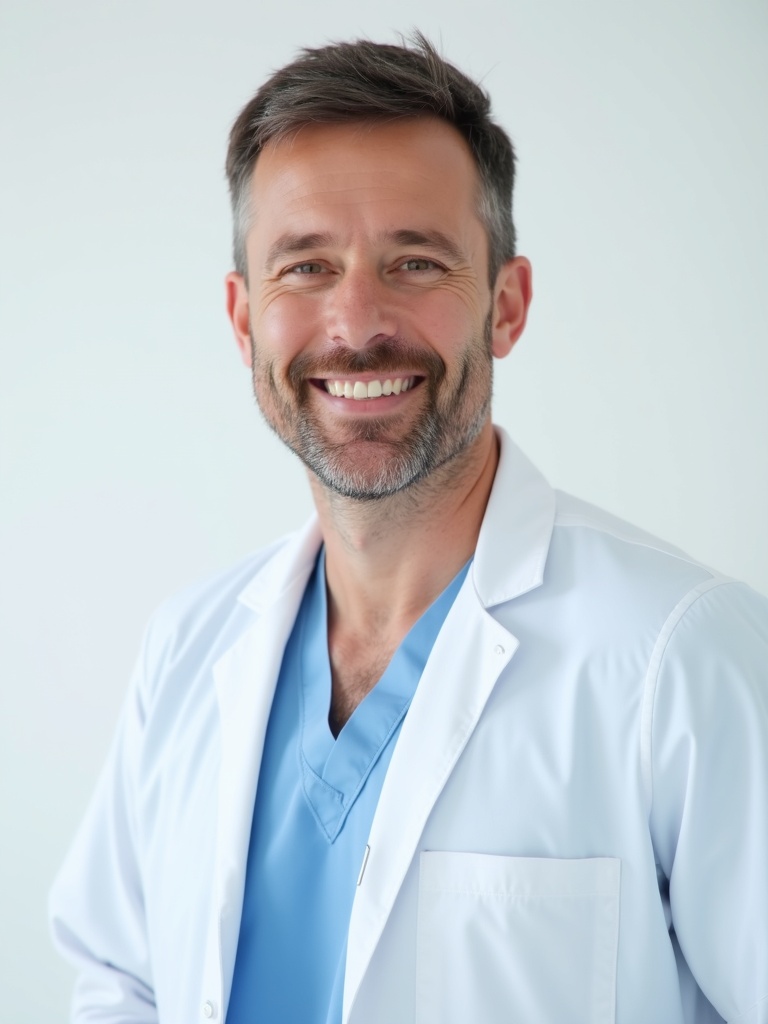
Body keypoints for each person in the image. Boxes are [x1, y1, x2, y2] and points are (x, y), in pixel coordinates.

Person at [49, 34, 768, 1024]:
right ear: (242, 316)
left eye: (414, 261)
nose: (355, 322)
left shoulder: (679, 656)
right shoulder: (186, 647)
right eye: (304, 267)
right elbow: (117, 979)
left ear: (506, 306)